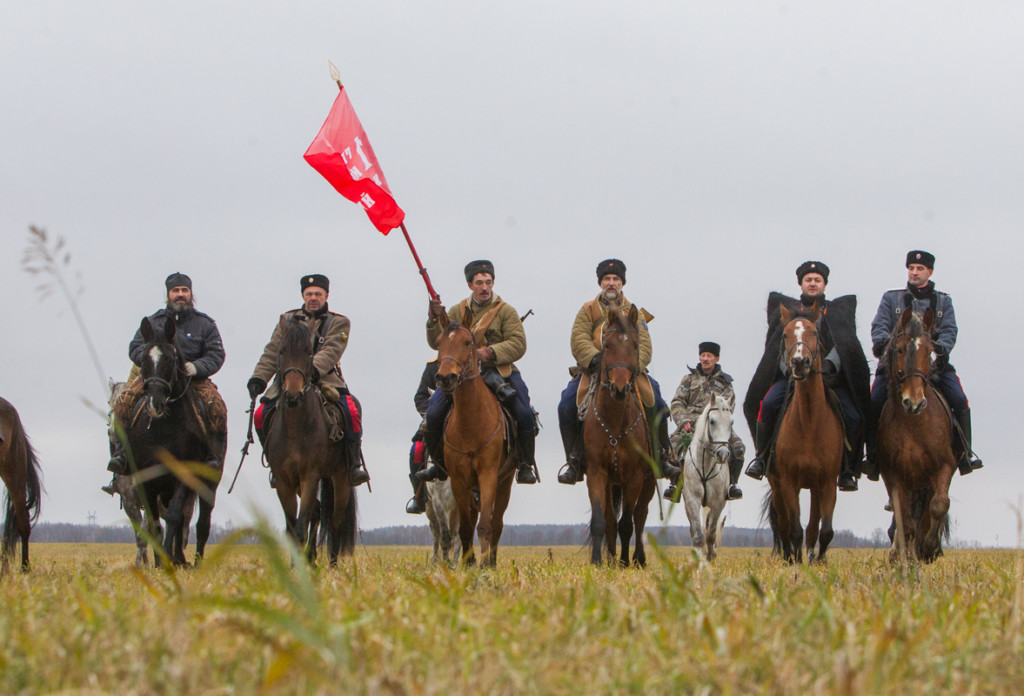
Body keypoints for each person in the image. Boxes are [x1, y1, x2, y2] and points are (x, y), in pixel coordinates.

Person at [743, 261, 871, 491]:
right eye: (808, 280)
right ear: (801, 283)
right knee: (767, 404)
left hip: (829, 379)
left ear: (824, 284)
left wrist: (831, 365)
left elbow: (845, 345)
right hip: (791, 378)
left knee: (853, 415)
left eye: (817, 280)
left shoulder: (837, 313)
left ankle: (847, 469)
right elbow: (778, 349)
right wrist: (789, 369)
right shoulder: (787, 312)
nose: (812, 283)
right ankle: (762, 458)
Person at [556, 258, 682, 487]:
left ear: (622, 283)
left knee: (658, 403)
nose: (611, 283)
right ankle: (574, 460)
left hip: (629, 373)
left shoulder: (636, 313)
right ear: (600, 283)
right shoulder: (587, 310)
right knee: (566, 404)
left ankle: (663, 456)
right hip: (594, 371)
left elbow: (645, 345)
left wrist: (633, 366)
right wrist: (597, 360)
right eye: (607, 279)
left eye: (615, 279)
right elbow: (578, 340)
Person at [105, 272, 227, 493]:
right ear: (168, 294)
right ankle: (121, 454)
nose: (180, 295)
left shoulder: (204, 324)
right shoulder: (153, 322)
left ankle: (211, 457)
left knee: (217, 408)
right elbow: (135, 347)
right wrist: (153, 360)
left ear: (191, 293)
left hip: (193, 380)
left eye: (184, 291)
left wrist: (196, 367)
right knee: (123, 403)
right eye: (175, 291)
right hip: (156, 378)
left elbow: (216, 354)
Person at [419, 259, 537, 484]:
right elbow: (438, 342)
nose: (484, 287)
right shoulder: (455, 311)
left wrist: (488, 353)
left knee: (523, 412)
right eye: (479, 283)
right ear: (470, 285)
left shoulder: (506, 312)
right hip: (461, 376)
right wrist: (433, 319)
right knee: (433, 415)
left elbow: (518, 343)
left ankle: (525, 463)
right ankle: (438, 464)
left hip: (499, 371)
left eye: (488, 282)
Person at [246, 274, 369, 487]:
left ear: (326, 295)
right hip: (289, 380)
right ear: (303, 295)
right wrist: (259, 377)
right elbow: (273, 351)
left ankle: (353, 464)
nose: (313, 298)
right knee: (260, 414)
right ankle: (275, 463)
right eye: (309, 294)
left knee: (351, 411)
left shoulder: (338, 322)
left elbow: (332, 350)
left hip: (323, 379)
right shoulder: (287, 320)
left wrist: (310, 370)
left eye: (318, 294)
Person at [866, 250, 982, 475]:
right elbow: (879, 325)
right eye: (911, 268)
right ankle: (872, 457)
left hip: (931, 365)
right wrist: (883, 344)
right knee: (874, 401)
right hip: (896, 366)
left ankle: (964, 453)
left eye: (920, 269)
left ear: (929, 272)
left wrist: (940, 348)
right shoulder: (891, 298)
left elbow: (949, 329)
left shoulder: (944, 301)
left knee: (958, 398)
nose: (914, 272)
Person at [663, 342, 745, 501]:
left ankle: (732, 485)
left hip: (717, 425)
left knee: (739, 447)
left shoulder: (726, 383)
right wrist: (683, 421)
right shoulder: (688, 379)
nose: (705, 359)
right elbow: (677, 403)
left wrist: (720, 422)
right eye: (703, 355)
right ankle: (674, 485)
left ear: (716, 358)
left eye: (709, 356)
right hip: (691, 424)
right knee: (672, 446)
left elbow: (729, 406)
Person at [405, 358, 438, 514]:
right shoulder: (433, 366)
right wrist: (430, 415)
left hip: (464, 421)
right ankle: (419, 496)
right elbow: (420, 396)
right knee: (416, 450)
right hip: (435, 420)